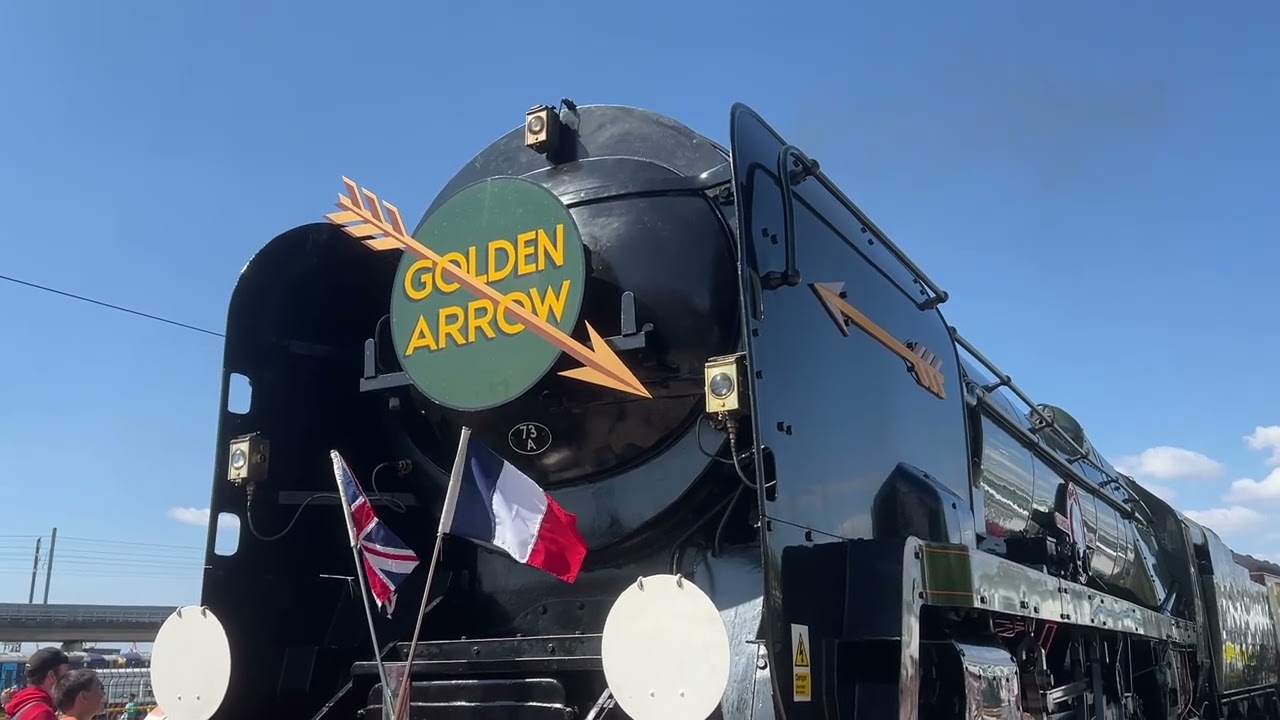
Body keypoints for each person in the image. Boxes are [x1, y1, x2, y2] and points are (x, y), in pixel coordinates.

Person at [2, 647, 69, 720]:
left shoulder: (21, 704)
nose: (69, 679)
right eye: (66, 673)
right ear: (51, 675)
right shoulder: (43, 714)